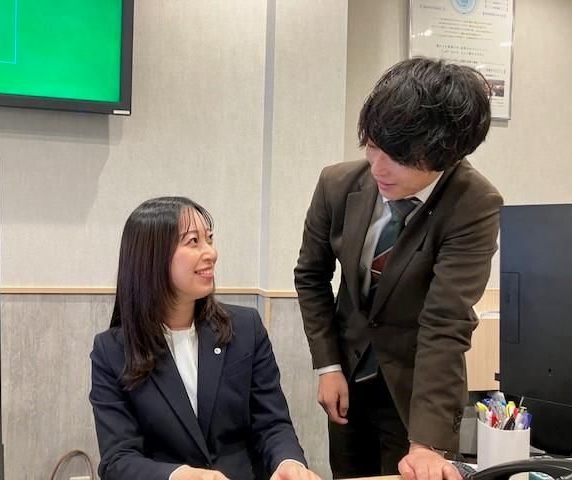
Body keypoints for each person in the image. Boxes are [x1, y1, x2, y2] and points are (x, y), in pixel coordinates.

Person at [294, 57, 503, 480]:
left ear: (447, 155)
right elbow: (310, 276)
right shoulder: (338, 184)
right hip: (349, 378)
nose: (377, 168)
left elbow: (445, 322)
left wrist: (427, 443)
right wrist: (328, 366)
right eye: (372, 145)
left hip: (416, 391)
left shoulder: (473, 204)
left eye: (400, 158)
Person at [90, 197, 321, 480]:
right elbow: (118, 460)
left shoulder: (245, 327)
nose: (211, 252)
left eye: (209, 239)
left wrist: (288, 462)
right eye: (193, 241)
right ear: (152, 256)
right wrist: (180, 476)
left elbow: (272, 424)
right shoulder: (111, 351)